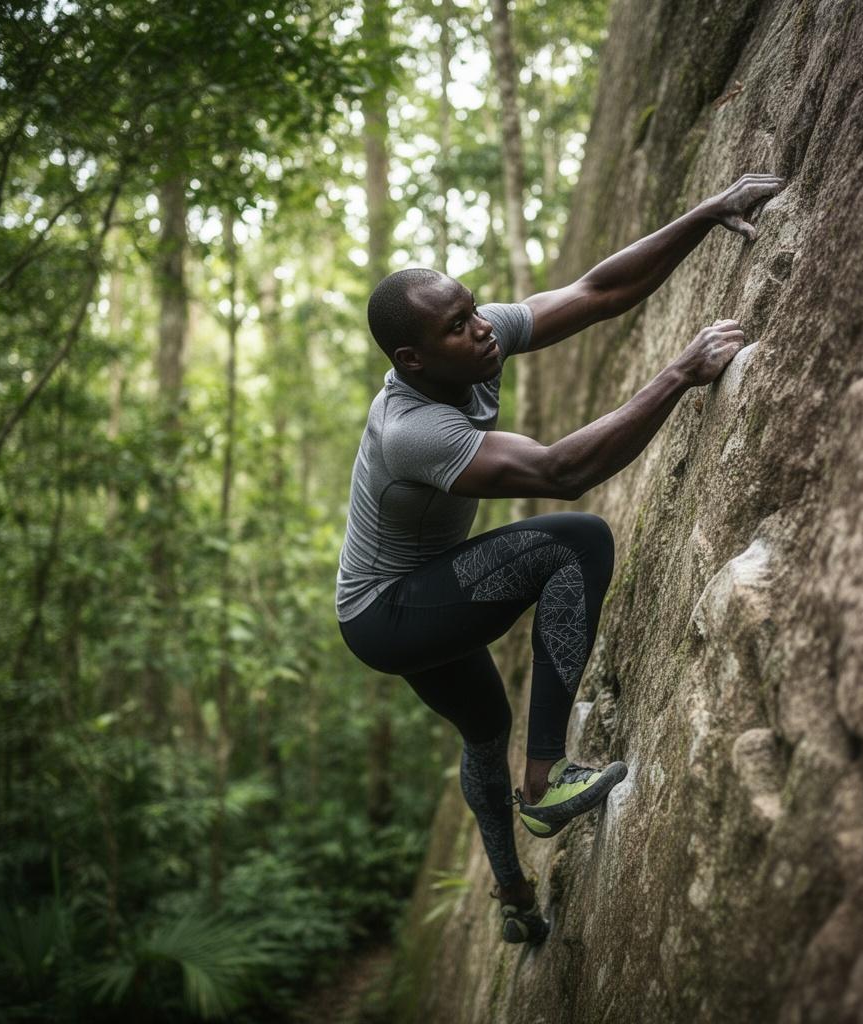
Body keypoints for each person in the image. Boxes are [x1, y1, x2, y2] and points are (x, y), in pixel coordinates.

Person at [335, 173, 785, 945]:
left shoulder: (470, 344)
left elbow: (598, 291)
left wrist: (707, 212)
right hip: (387, 614)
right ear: (413, 359)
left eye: (475, 309)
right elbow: (560, 471)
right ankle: (546, 781)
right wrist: (680, 372)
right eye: (457, 326)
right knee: (575, 541)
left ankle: (513, 894)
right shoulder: (410, 429)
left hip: (409, 596)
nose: (482, 328)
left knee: (485, 727)